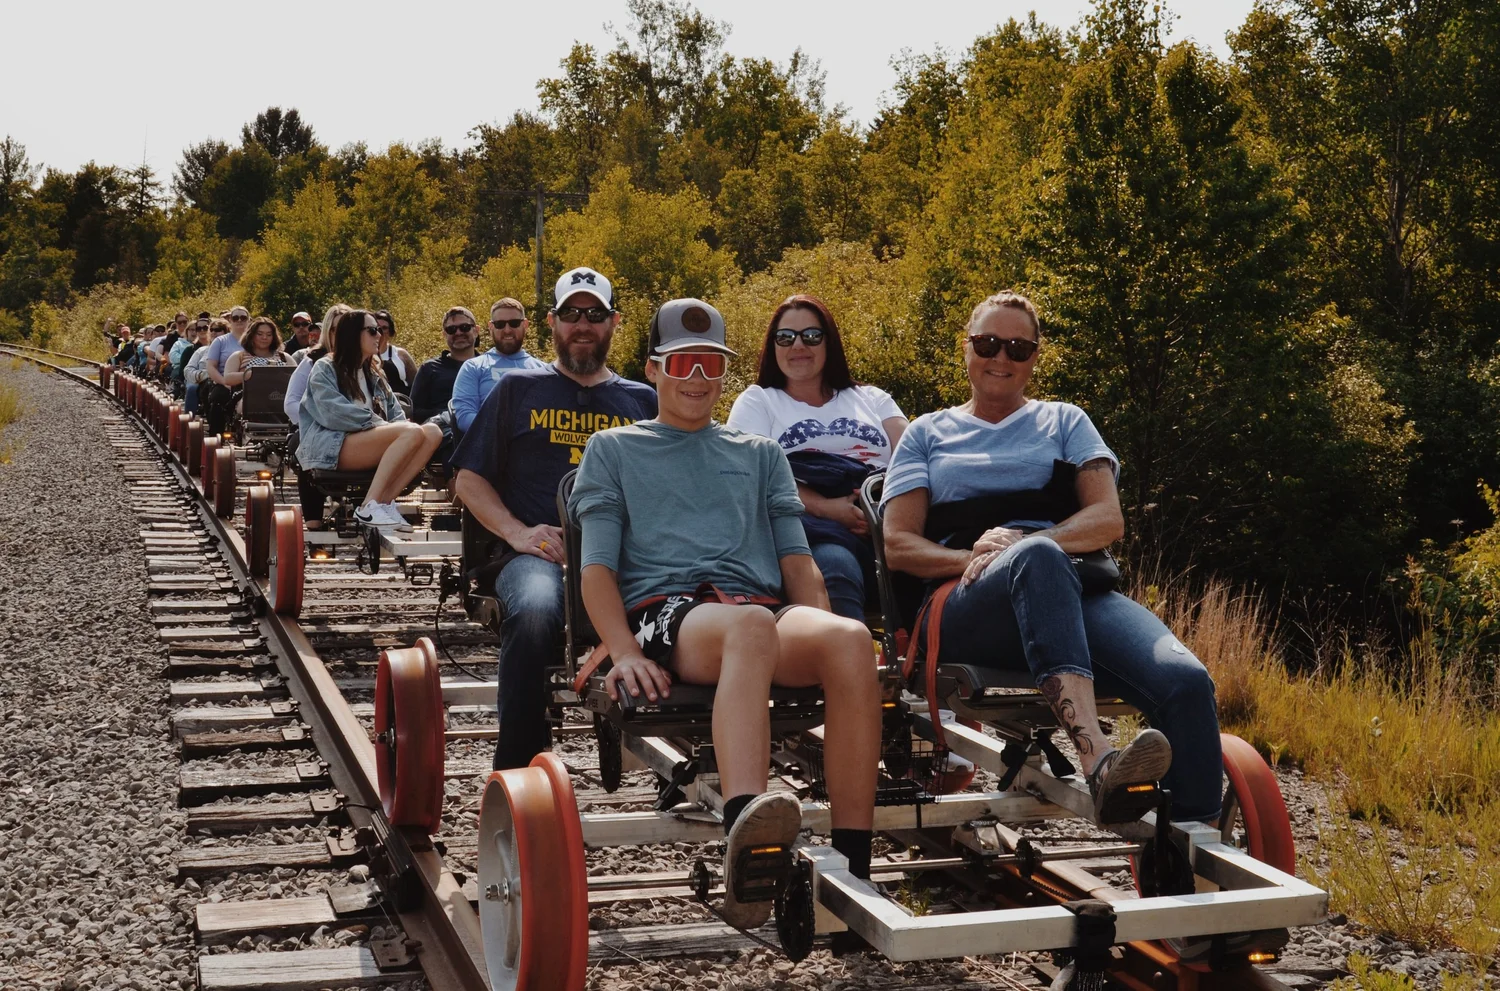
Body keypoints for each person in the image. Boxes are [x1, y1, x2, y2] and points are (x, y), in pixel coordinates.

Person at [572, 297, 881, 928]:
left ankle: (853, 864)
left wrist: (824, 635)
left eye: (710, 365)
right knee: (751, 626)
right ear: (655, 370)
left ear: (723, 372)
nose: (696, 378)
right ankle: (748, 838)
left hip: (759, 611)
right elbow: (596, 569)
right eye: (682, 363)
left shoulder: (760, 452)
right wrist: (624, 651)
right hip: (671, 611)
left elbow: (799, 566)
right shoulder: (613, 450)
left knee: (850, 639)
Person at [880, 290, 1220, 835]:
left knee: (1184, 683)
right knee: (1035, 556)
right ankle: (1097, 759)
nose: (1001, 358)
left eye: (1018, 348)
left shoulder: (1065, 421)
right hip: (970, 602)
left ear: (1035, 357)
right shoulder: (926, 432)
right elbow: (897, 543)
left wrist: (1029, 546)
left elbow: (1108, 520)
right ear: (966, 348)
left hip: (1072, 590)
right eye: (988, 343)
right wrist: (977, 557)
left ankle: (1200, 853)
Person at [451, 267, 656, 771]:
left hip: (627, 558)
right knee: (539, 609)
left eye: (594, 314)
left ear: (614, 323)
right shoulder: (518, 389)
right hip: (541, 554)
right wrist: (518, 533)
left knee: (693, 614)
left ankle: (694, 761)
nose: (582, 324)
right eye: (570, 314)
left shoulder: (643, 401)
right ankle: (516, 768)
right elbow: (468, 479)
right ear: (551, 323)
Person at [728, 294, 907, 621]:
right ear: (773, 346)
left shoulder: (872, 399)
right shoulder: (759, 402)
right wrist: (827, 508)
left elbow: (911, 458)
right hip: (809, 529)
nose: (798, 345)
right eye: (785, 337)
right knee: (835, 567)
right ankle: (843, 662)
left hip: (882, 518)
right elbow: (748, 474)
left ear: (830, 343)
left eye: (811, 336)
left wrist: (883, 512)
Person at [297, 310, 443, 531]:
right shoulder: (326, 368)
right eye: (373, 330)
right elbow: (332, 412)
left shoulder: (373, 373)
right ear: (353, 334)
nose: (380, 335)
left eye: (381, 330)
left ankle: (383, 504)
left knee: (433, 432)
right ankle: (368, 506)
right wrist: (386, 427)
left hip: (366, 443)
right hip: (332, 445)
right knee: (411, 432)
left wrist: (397, 428)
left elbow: (395, 412)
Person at [286, 304, 351, 529]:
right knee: (308, 448)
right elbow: (291, 403)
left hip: (354, 430)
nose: (342, 334)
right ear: (327, 330)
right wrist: (319, 423)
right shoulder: (313, 360)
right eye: (336, 328)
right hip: (314, 427)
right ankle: (313, 520)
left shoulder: (365, 360)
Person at [450, 297, 546, 432]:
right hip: (491, 446)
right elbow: (464, 417)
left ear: (525, 325)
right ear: (491, 327)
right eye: (500, 324)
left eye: (514, 323)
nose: (507, 330)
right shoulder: (473, 367)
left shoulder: (543, 370)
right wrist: (504, 432)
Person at [409, 307, 479, 423]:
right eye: (451, 329)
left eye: (464, 327)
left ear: (476, 331)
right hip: (443, 432)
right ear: (444, 335)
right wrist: (448, 414)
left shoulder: (487, 366)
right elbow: (414, 412)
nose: (458, 333)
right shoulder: (429, 368)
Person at [224, 317, 294, 416]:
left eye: (269, 335)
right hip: (250, 397)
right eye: (260, 334)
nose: (264, 338)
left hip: (280, 396)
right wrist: (250, 375)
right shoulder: (239, 356)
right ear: (251, 335)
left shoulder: (284, 357)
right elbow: (227, 378)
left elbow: (297, 377)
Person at [202, 306, 251, 433]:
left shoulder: (256, 340)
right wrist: (225, 382)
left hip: (251, 382)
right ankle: (216, 435)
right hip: (224, 381)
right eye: (235, 318)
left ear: (249, 320)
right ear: (230, 320)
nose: (239, 320)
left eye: (243, 317)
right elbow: (211, 366)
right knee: (218, 398)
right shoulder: (220, 341)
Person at [185, 319, 228, 414]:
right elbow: (188, 370)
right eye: (211, 330)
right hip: (203, 382)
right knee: (192, 388)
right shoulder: (202, 351)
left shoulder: (232, 351)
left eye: (218, 330)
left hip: (226, 381)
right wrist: (204, 375)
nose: (213, 332)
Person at [372, 310, 417, 397]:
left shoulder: (401, 354)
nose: (380, 332)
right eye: (376, 327)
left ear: (390, 332)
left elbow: (416, 383)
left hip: (403, 402)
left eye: (384, 328)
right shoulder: (365, 355)